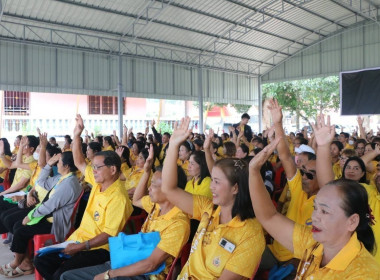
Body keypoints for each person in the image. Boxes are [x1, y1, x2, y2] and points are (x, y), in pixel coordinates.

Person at [249, 138, 380, 279]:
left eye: (324, 211)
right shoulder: (314, 244)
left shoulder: (364, 274)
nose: (314, 217)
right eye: (315, 208)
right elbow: (269, 217)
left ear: (352, 221)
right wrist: (254, 171)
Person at [60, 145, 190, 280]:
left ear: (171, 191)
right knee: (67, 276)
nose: (149, 188)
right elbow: (137, 199)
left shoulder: (178, 223)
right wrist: (146, 171)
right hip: (131, 259)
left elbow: (151, 265)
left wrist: (109, 274)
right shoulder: (156, 205)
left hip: (146, 274)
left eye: (155, 185)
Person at [161, 117, 265, 280]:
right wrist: (173, 146)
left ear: (235, 188)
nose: (211, 186)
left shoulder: (250, 234)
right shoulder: (208, 209)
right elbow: (168, 189)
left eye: (216, 182)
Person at [34, 114, 133, 280]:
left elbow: (108, 235)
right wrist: (77, 136)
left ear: (113, 170)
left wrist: (81, 247)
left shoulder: (119, 198)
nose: (93, 170)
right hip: (78, 240)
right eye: (93, 167)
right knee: (41, 260)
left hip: (99, 249)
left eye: (97, 167)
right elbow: (79, 162)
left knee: (62, 273)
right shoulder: (98, 183)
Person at [0, 151, 82, 277]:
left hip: (55, 223)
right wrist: (48, 165)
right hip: (48, 217)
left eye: (58, 162)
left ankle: (18, 262)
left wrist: (30, 216)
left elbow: (50, 205)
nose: (56, 164)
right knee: (17, 225)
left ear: (66, 166)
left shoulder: (69, 184)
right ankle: (25, 262)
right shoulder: (62, 178)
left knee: (20, 228)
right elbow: (41, 182)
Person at [313, 114, 380, 264]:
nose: (379, 173)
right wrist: (323, 147)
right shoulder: (365, 191)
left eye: (356, 168)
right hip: (355, 264)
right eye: (378, 169)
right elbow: (327, 186)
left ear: (364, 173)